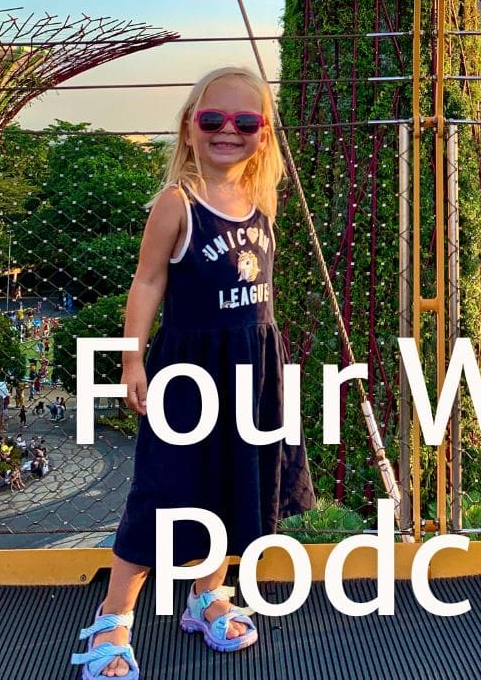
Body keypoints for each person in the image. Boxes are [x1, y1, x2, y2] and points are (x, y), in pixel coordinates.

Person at [72, 67, 315, 680]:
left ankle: (208, 595)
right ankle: (114, 616)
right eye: (212, 119)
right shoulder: (177, 203)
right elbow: (148, 280)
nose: (227, 131)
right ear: (189, 126)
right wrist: (132, 358)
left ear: (264, 135)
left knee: (231, 485)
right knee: (165, 491)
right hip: (188, 370)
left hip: (251, 366)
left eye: (245, 122)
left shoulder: (263, 200)